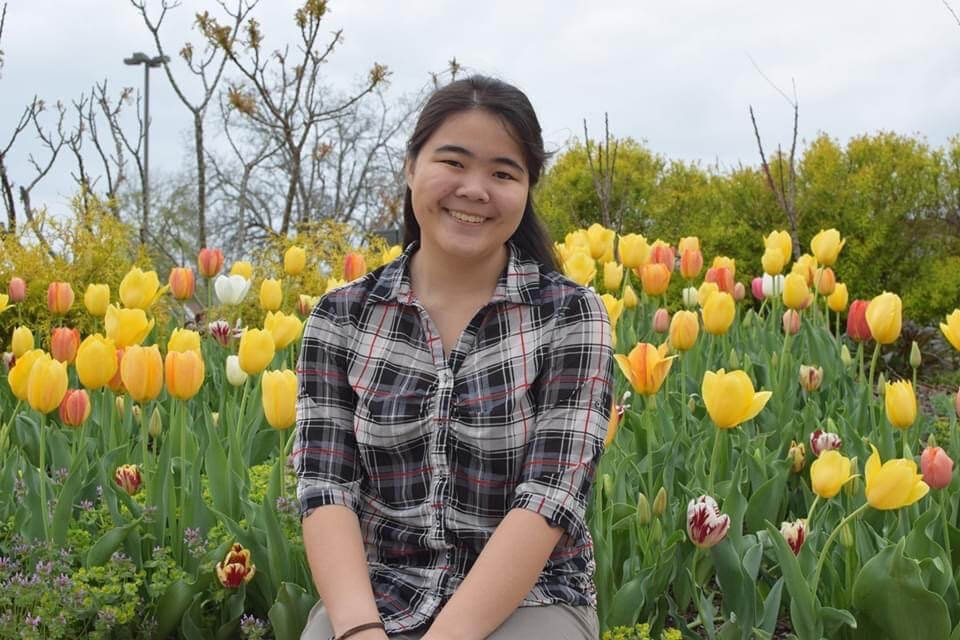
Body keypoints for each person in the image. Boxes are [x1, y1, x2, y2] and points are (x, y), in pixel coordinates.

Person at [294, 75, 613, 640]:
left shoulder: (569, 315)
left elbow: (549, 498)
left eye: (502, 172)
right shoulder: (340, 317)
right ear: (411, 166)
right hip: (378, 592)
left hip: (531, 598)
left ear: (527, 188)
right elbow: (325, 487)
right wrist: (357, 629)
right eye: (453, 162)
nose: (474, 189)